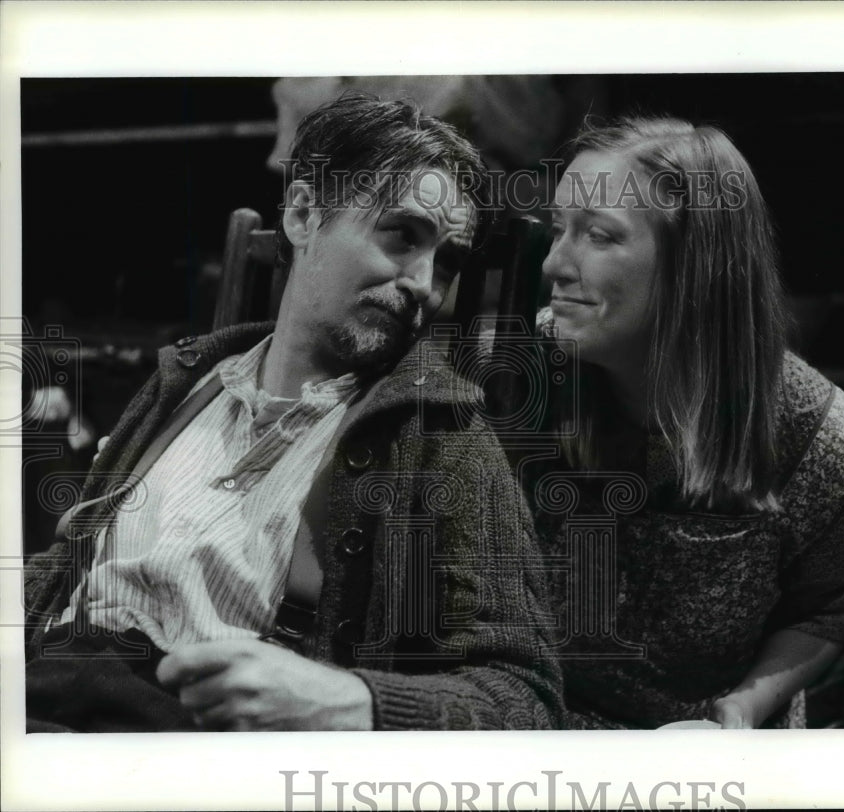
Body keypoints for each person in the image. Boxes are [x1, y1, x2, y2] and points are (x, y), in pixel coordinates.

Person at [22, 94, 561, 732]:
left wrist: (354, 701)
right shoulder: (184, 383)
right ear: (304, 214)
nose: (423, 283)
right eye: (401, 235)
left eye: (446, 261)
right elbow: (65, 567)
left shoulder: (440, 436)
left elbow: (523, 698)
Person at [526, 115, 844, 728]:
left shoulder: (817, 436)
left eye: (598, 236)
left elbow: (824, 613)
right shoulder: (518, 388)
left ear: (696, 268)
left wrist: (737, 715)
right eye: (559, 230)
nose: (554, 263)